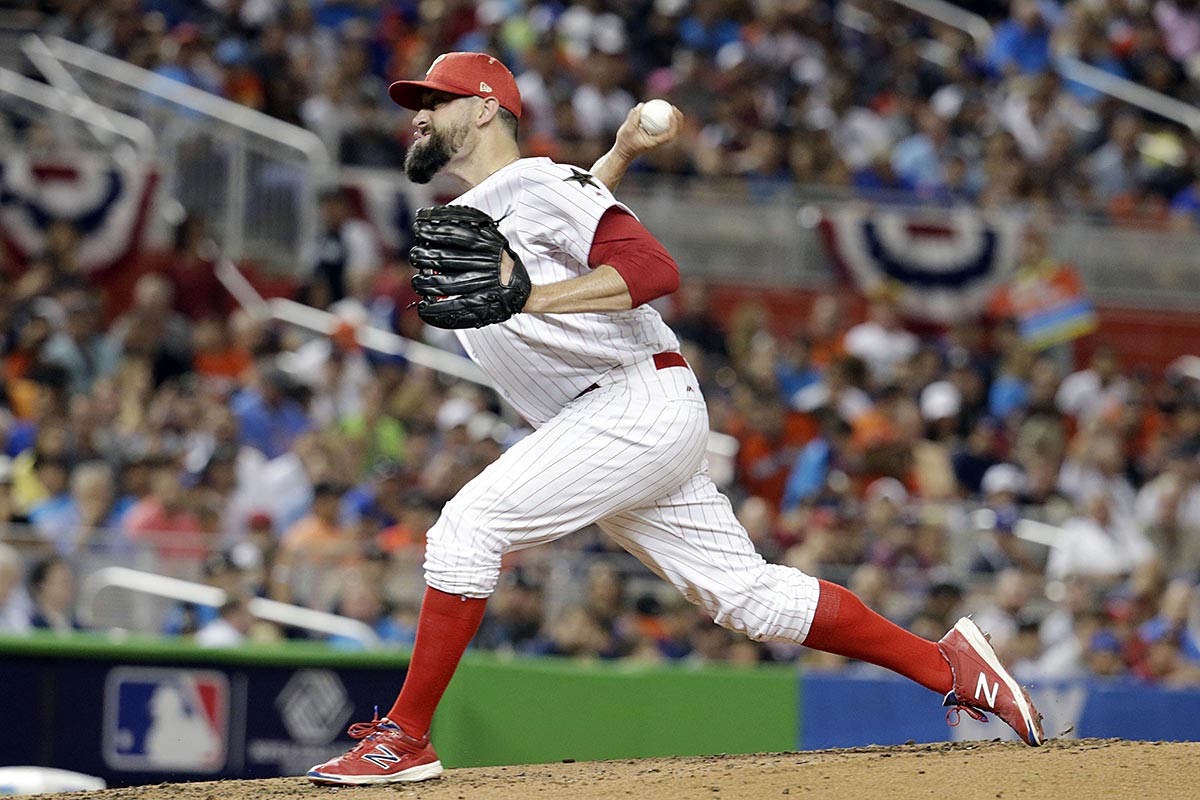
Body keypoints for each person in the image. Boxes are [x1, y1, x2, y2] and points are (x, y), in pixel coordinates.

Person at [306, 52, 1043, 787]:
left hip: (630, 404)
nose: (419, 115)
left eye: (435, 100)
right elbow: (563, 213)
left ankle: (405, 736)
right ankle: (949, 666)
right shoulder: (515, 199)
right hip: (613, 419)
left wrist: (531, 298)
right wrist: (620, 155)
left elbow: (652, 269)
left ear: (485, 108)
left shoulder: (533, 184)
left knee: (469, 528)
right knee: (749, 598)